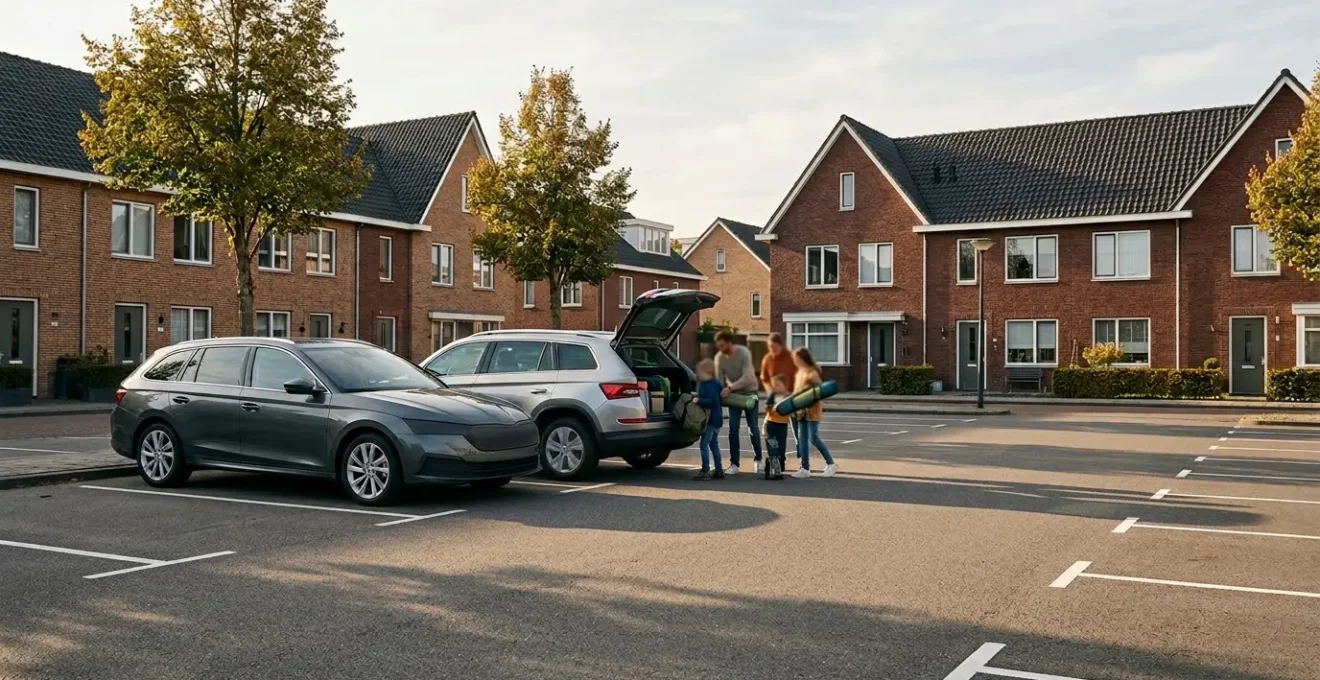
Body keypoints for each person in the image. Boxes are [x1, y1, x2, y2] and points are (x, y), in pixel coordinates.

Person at [713, 329, 762, 475]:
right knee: (733, 429)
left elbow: (748, 377)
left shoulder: (743, 352)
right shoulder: (719, 358)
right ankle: (734, 463)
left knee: (753, 427)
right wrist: (717, 392)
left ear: (729, 343)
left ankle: (759, 460)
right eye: (718, 346)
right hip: (734, 396)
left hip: (750, 393)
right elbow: (719, 380)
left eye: (723, 345)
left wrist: (729, 387)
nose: (721, 349)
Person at [792, 347, 837, 479]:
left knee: (813, 438)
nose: (795, 361)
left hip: (812, 411)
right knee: (802, 439)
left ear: (802, 358)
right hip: (801, 411)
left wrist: (805, 400)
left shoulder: (812, 372)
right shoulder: (800, 373)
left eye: (796, 358)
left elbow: (818, 393)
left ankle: (831, 464)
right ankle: (805, 468)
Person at [760, 331, 801, 458]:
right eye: (770, 347)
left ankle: (800, 452)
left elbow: (799, 377)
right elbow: (765, 378)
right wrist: (770, 393)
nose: (772, 350)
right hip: (776, 397)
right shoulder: (768, 359)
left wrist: (794, 394)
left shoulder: (790, 358)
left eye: (775, 347)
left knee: (796, 425)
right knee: (771, 425)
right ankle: (775, 456)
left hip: (791, 395)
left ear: (781, 345)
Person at [693, 359, 725, 480]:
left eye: (700, 372)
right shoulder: (716, 384)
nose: (699, 374)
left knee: (704, 444)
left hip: (710, 420)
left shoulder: (708, 385)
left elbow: (712, 400)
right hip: (717, 419)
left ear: (708, 372)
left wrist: (699, 400)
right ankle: (719, 469)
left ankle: (705, 470)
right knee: (714, 444)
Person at [762, 374, 793, 480]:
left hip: (783, 425)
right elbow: (767, 407)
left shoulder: (788, 398)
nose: (775, 387)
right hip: (771, 424)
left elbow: (792, 409)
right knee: (773, 447)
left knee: (782, 448)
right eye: (774, 385)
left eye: (778, 385)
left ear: (785, 386)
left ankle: (780, 465)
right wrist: (771, 407)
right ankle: (773, 467)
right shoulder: (773, 396)